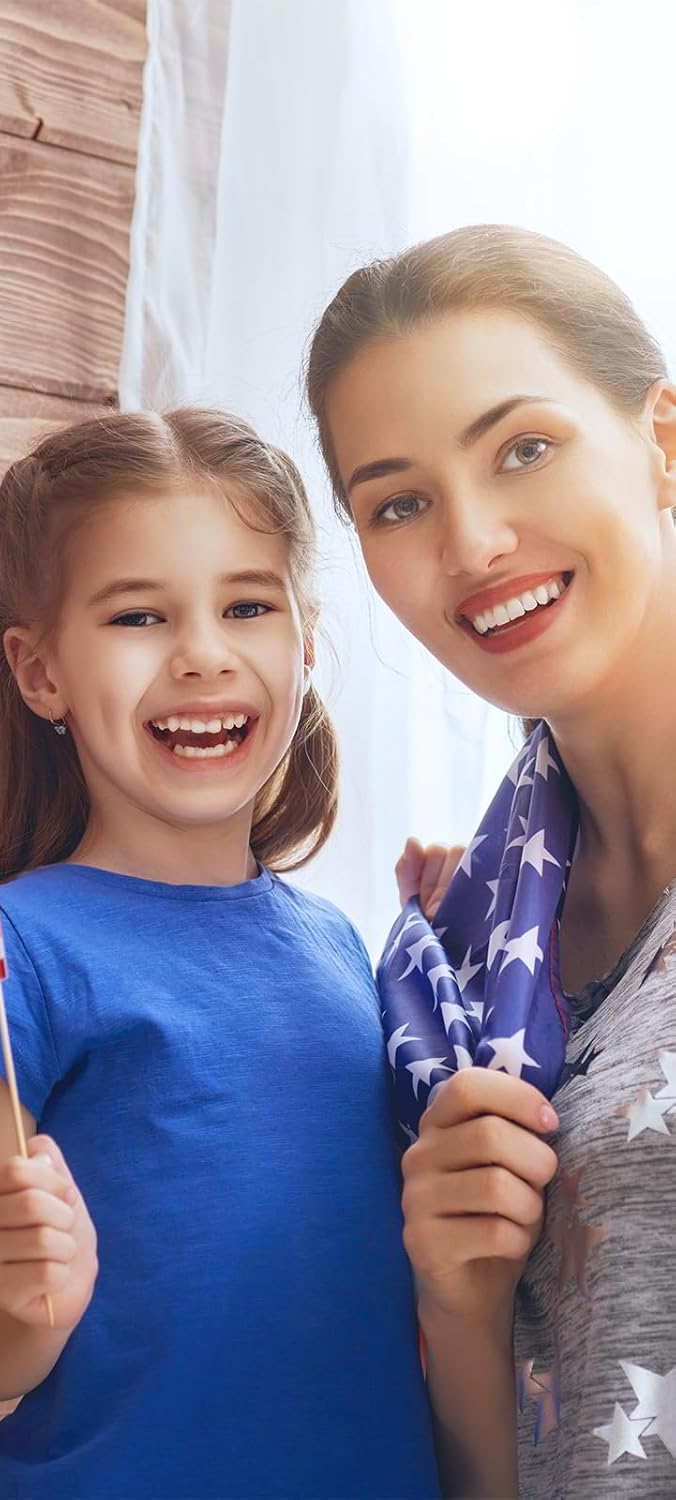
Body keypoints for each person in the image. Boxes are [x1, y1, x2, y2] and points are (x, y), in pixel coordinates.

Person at [0, 408, 441, 1498]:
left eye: (246, 605)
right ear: (40, 670)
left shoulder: (343, 948)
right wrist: (24, 1296)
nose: (204, 654)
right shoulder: (6, 945)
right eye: (139, 616)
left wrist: (461, 948)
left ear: (302, 642)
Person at [308, 224, 676, 1497]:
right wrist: (460, 1307)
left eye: (524, 448)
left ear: (662, 441)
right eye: (399, 502)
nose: (470, 544)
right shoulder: (463, 961)